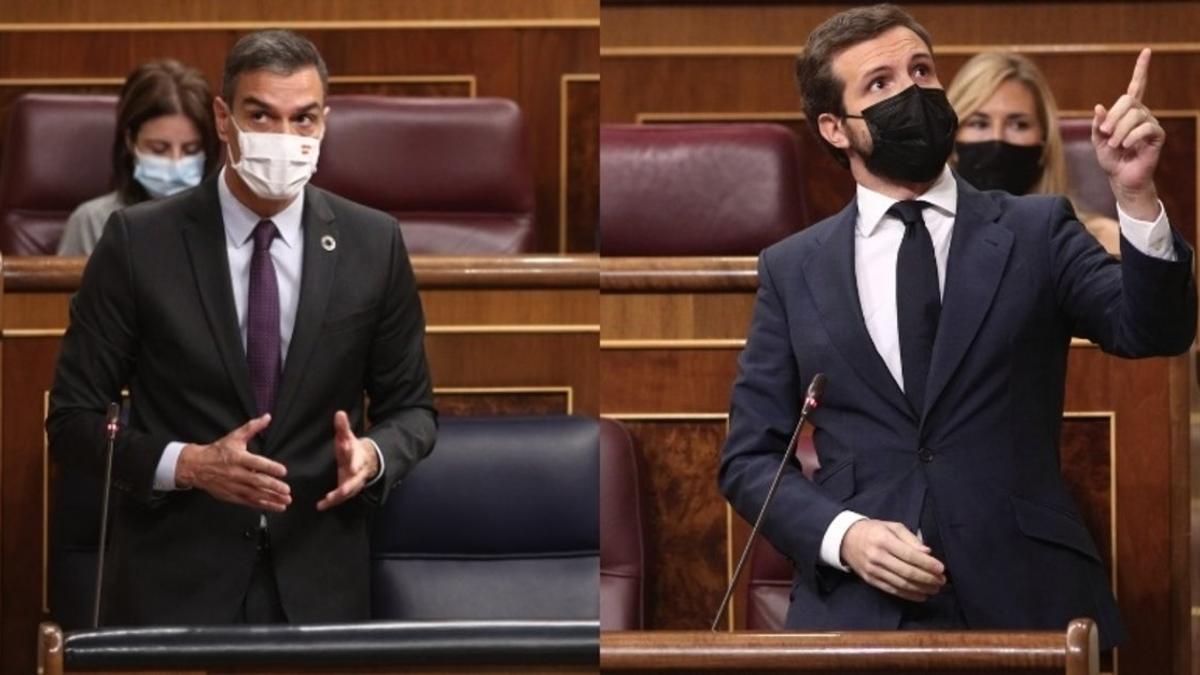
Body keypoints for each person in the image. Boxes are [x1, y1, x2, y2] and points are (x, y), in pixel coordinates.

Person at [719, 4, 1194, 649]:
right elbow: (750, 458)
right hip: (862, 614)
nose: (912, 91)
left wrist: (1135, 196)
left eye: (922, 70)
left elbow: (1154, 331)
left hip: (1031, 601)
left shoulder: (1036, 229)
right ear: (834, 127)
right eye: (881, 84)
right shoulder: (793, 267)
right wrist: (845, 536)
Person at [47, 29, 437, 625]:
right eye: (262, 115)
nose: (284, 138)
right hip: (173, 581)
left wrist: (373, 455)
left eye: (303, 119)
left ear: (324, 124)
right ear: (224, 119)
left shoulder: (373, 243)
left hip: (319, 584)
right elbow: (72, 421)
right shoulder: (137, 243)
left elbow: (413, 410)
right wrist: (190, 465)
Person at [947, 51, 1121, 255]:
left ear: (1044, 139)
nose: (997, 139)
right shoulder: (928, 238)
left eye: (1019, 125)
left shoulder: (1099, 240)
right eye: (979, 123)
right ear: (951, 137)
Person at [57, 59, 219, 256]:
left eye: (191, 150)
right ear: (130, 141)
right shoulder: (92, 222)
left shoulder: (225, 218)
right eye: (159, 149)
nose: (176, 163)